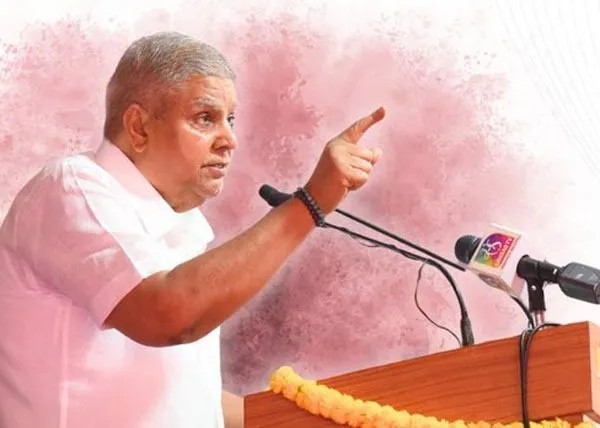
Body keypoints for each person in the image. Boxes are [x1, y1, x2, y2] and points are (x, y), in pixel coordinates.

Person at [0, 31, 385, 428]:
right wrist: (310, 203)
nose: (230, 140)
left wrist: (326, 419)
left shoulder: (180, 221)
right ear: (139, 127)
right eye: (205, 118)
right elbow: (167, 316)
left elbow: (186, 395)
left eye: (230, 120)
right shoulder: (70, 187)